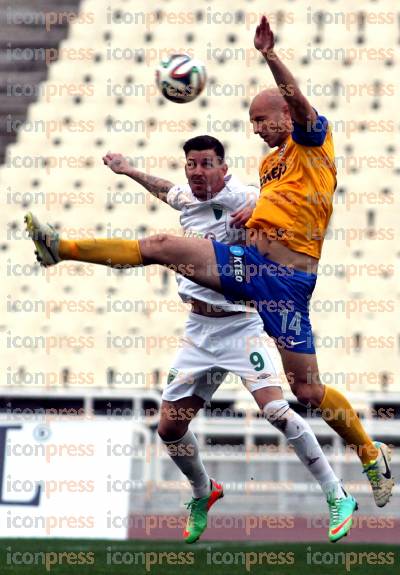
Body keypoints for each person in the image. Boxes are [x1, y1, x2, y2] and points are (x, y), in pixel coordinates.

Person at [25, 15, 393, 541]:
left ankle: (366, 456)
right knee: (159, 249)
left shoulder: (313, 141)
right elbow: (251, 204)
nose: (257, 129)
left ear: (286, 114)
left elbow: (303, 106)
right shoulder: (269, 169)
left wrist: (269, 55)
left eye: (263, 119)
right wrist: (250, 217)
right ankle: (61, 248)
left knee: (306, 392)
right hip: (248, 275)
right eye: (252, 122)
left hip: (287, 285)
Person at [101, 136, 356, 543]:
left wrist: (260, 207)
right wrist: (128, 169)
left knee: (276, 409)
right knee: (169, 428)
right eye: (191, 164)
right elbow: (167, 190)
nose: (197, 172)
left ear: (223, 167)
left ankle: (336, 494)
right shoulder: (188, 197)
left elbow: (282, 205)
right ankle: (204, 491)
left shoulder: (245, 195)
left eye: (206, 164)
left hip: (241, 325)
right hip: (199, 332)